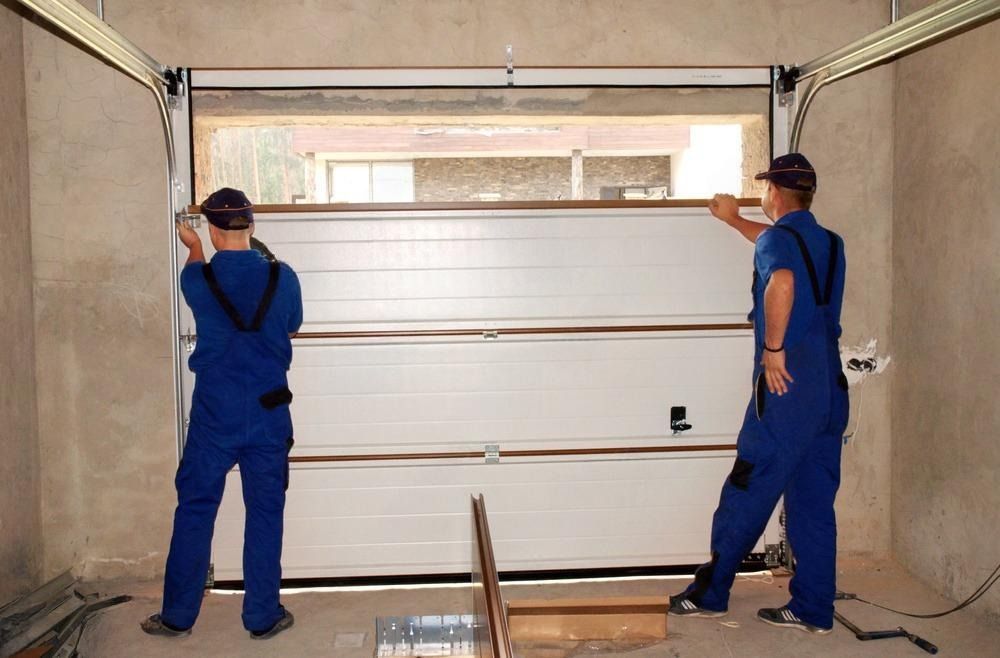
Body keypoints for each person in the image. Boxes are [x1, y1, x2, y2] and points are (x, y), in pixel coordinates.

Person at [668, 153, 849, 634]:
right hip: (828, 390)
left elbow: (783, 281)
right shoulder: (829, 242)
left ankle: (710, 594)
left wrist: (773, 348)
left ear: (773, 192)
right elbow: (785, 252)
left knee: (748, 488)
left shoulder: (777, 242)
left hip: (786, 389)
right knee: (813, 501)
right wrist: (735, 222)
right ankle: (813, 608)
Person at [142, 188, 302, 639]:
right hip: (269, 413)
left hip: (215, 416)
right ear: (251, 226)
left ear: (211, 229)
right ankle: (263, 617)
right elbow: (292, 323)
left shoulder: (197, 280)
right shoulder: (284, 277)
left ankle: (176, 616)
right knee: (266, 511)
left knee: (195, 508)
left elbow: (195, 270)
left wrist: (192, 248)